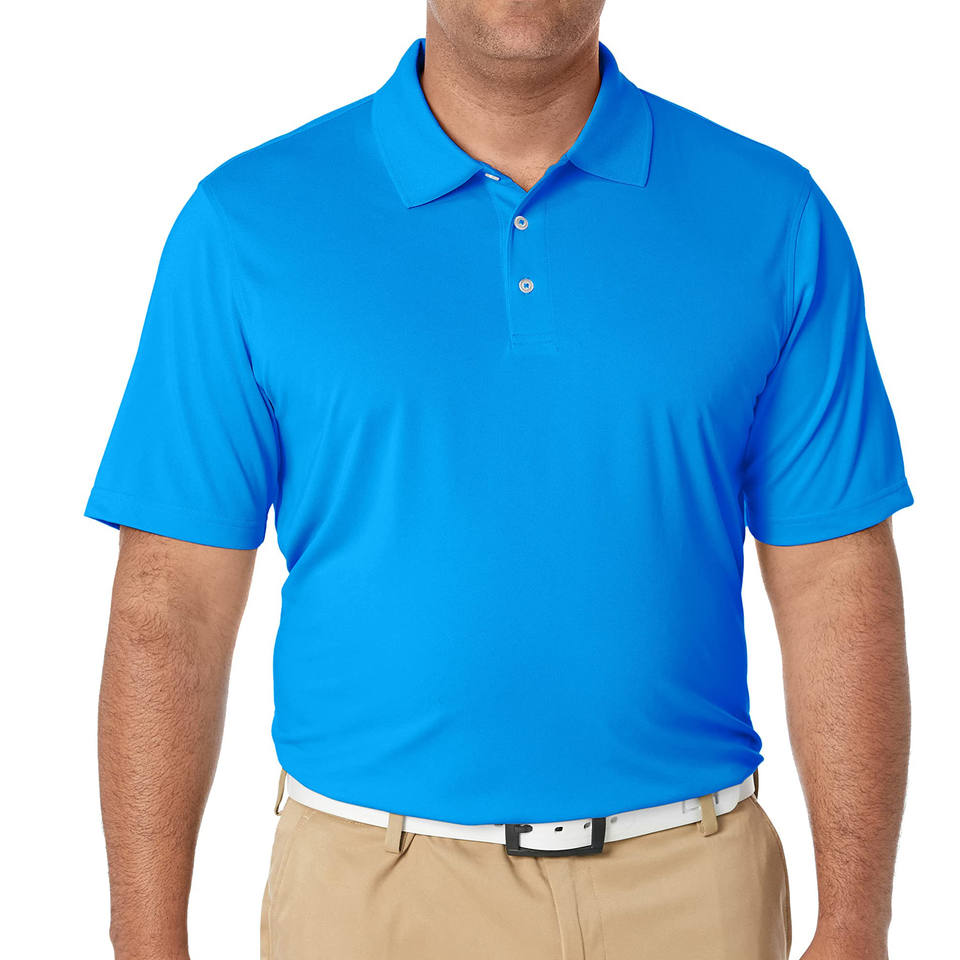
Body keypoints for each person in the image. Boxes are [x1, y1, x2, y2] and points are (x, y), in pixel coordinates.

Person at [85, 2, 914, 959]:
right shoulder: (246, 225)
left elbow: (835, 580)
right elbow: (172, 604)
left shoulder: (772, 216)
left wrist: (857, 923)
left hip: (696, 893)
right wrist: (146, 940)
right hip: (368, 902)